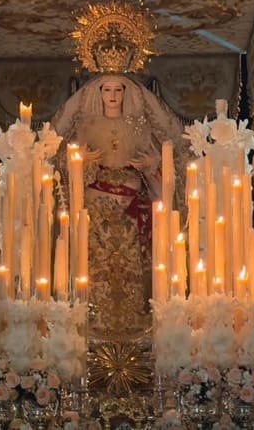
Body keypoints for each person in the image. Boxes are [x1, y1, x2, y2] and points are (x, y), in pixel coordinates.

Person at [52, 73, 184, 341]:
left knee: (129, 264)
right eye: (107, 90)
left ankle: (132, 319)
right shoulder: (86, 126)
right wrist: (82, 161)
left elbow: (159, 164)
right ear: (98, 94)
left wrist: (152, 163)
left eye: (118, 90)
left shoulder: (139, 127)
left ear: (126, 94)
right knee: (94, 265)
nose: (112, 96)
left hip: (131, 210)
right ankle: (93, 318)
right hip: (95, 209)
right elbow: (63, 165)